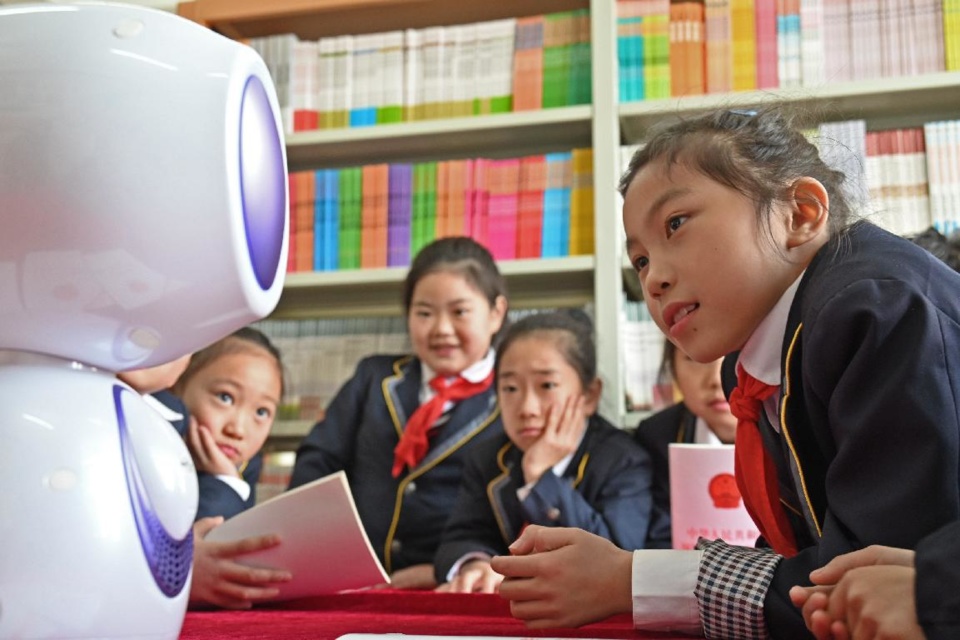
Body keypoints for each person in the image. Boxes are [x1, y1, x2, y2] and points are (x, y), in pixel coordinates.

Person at [490, 107, 960, 638]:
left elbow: (868, 582)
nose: (653, 279)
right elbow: (808, 558)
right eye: (639, 260)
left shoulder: (872, 307)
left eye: (676, 224)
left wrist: (632, 579)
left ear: (800, 213)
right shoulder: (752, 366)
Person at [289, 236, 508, 590]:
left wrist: (445, 571)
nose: (441, 329)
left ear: (496, 313)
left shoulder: (514, 396)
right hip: (354, 583)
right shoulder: (373, 378)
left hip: (455, 586)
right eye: (424, 313)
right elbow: (317, 461)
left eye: (459, 312)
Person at [434, 311, 655, 593]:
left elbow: (619, 559)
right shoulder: (488, 457)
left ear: (589, 395)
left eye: (547, 385)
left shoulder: (624, 460)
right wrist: (476, 564)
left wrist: (540, 476)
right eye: (510, 388)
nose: (527, 408)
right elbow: (462, 537)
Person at [171, 326, 291, 609]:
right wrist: (226, 480)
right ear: (177, 385)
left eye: (261, 412)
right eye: (225, 397)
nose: (237, 429)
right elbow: (207, 541)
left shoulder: (246, 464)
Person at [633, 340, 738, 549]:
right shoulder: (657, 436)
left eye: (737, 355)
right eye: (697, 358)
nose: (717, 379)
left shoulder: (795, 430)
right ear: (672, 369)